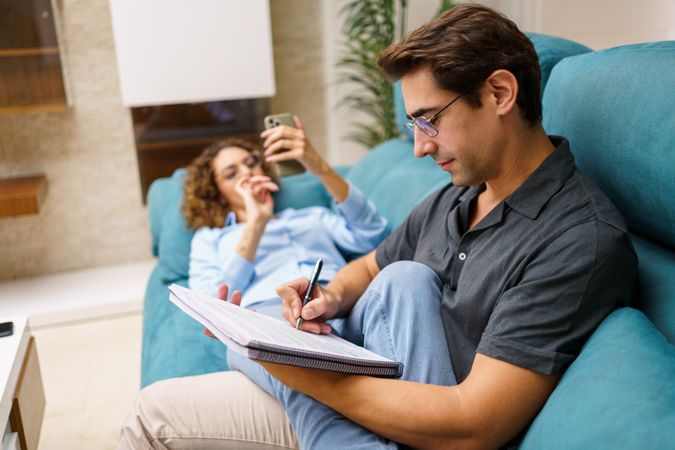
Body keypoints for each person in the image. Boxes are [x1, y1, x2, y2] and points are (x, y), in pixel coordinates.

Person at [119, 5, 637, 450]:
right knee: (182, 384)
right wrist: (327, 296)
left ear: (500, 92)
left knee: (398, 284)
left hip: (412, 416)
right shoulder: (455, 196)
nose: (419, 146)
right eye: (413, 125)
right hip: (364, 369)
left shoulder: (577, 239)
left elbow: (473, 425)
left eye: (430, 119)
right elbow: (369, 264)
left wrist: (305, 375)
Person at [182, 118, 388, 312]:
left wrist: (320, 167)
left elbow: (372, 235)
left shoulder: (312, 216)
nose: (247, 172)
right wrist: (256, 223)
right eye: (231, 173)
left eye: (251, 162)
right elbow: (211, 304)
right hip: (268, 312)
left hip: (336, 301)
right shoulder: (210, 238)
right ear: (217, 193)